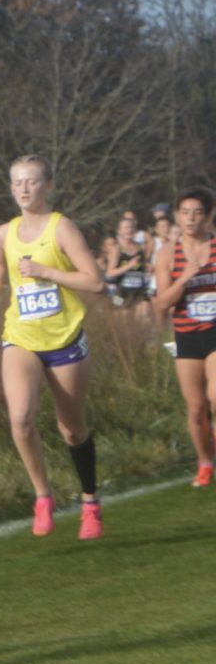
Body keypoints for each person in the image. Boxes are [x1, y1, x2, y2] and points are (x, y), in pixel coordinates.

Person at [0, 155, 108, 538]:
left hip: (65, 339)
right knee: (20, 418)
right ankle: (43, 496)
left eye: (31, 182)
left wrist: (47, 272)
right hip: (22, 336)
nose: (23, 189)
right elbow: (1, 268)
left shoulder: (61, 228)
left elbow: (95, 282)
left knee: (71, 428)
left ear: (48, 186)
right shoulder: (5, 232)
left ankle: (89, 501)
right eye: (17, 182)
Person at [151, 189, 216, 487]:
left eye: (197, 212)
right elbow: (162, 302)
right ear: (178, 216)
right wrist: (185, 278)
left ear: (208, 215)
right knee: (196, 409)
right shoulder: (167, 254)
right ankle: (204, 460)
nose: (191, 218)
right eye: (185, 212)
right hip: (186, 336)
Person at [101, 211, 150, 309]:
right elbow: (110, 273)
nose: (129, 230)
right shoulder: (117, 249)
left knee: (145, 314)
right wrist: (129, 266)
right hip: (120, 293)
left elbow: (143, 269)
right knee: (123, 319)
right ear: (119, 231)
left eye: (131, 228)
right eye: (126, 228)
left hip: (139, 291)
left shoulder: (141, 248)